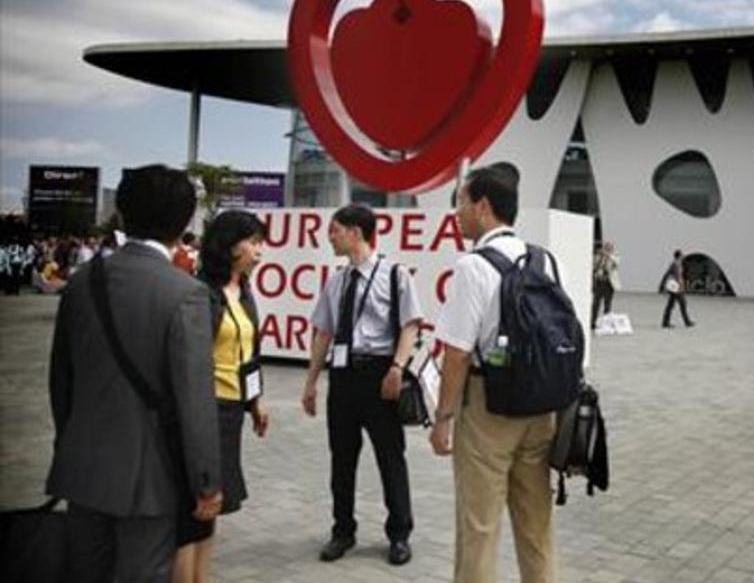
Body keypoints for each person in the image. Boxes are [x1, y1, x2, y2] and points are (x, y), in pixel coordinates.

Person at [46, 164, 222, 582]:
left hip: (82, 470)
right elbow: (195, 400)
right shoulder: (185, 293)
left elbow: (61, 382)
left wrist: (70, 444)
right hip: (149, 480)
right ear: (184, 222)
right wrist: (207, 482)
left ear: (122, 214)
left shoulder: (82, 283)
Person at [430, 164, 560, 582]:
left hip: (489, 410)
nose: (457, 212)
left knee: (479, 528)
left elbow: (456, 354)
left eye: (461, 203)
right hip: (541, 409)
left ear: (483, 206)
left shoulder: (472, 266)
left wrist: (443, 419)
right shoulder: (543, 259)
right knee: (536, 526)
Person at [300, 204, 423, 565]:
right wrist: (311, 383)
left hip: (380, 376)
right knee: (341, 458)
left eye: (335, 230)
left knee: (390, 457)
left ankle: (399, 534)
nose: (330, 236)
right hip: (342, 379)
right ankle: (342, 531)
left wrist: (398, 368)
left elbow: (410, 325)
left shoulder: (395, 274)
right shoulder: (336, 281)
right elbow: (323, 331)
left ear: (356, 232)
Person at [174, 211, 271, 583]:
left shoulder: (243, 290)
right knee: (195, 506)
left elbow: (249, 354)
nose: (260, 250)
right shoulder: (201, 292)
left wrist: (255, 403)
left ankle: (202, 576)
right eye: (254, 241)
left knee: (212, 507)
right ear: (230, 245)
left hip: (232, 412)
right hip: (204, 410)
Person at [660, 249, 694, 328]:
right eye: (682, 255)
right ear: (679, 256)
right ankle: (686, 322)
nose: (683, 256)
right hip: (676, 288)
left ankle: (666, 322)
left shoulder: (678, 264)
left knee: (672, 305)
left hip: (678, 288)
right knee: (681, 304)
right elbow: (672, 275)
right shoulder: (675, 264)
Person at [591, 241, 620, 329]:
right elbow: (594, 265)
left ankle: (606, 323)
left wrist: (608, 255)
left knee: (607, 304)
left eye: (609, 248)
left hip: (608, 284)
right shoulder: (599, 256)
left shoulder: (615, 256)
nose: (607, 249)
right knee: (595, 304)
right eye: (606, 247)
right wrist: (599, 257)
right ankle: (593, 322)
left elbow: (616, 263)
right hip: (599, 282)